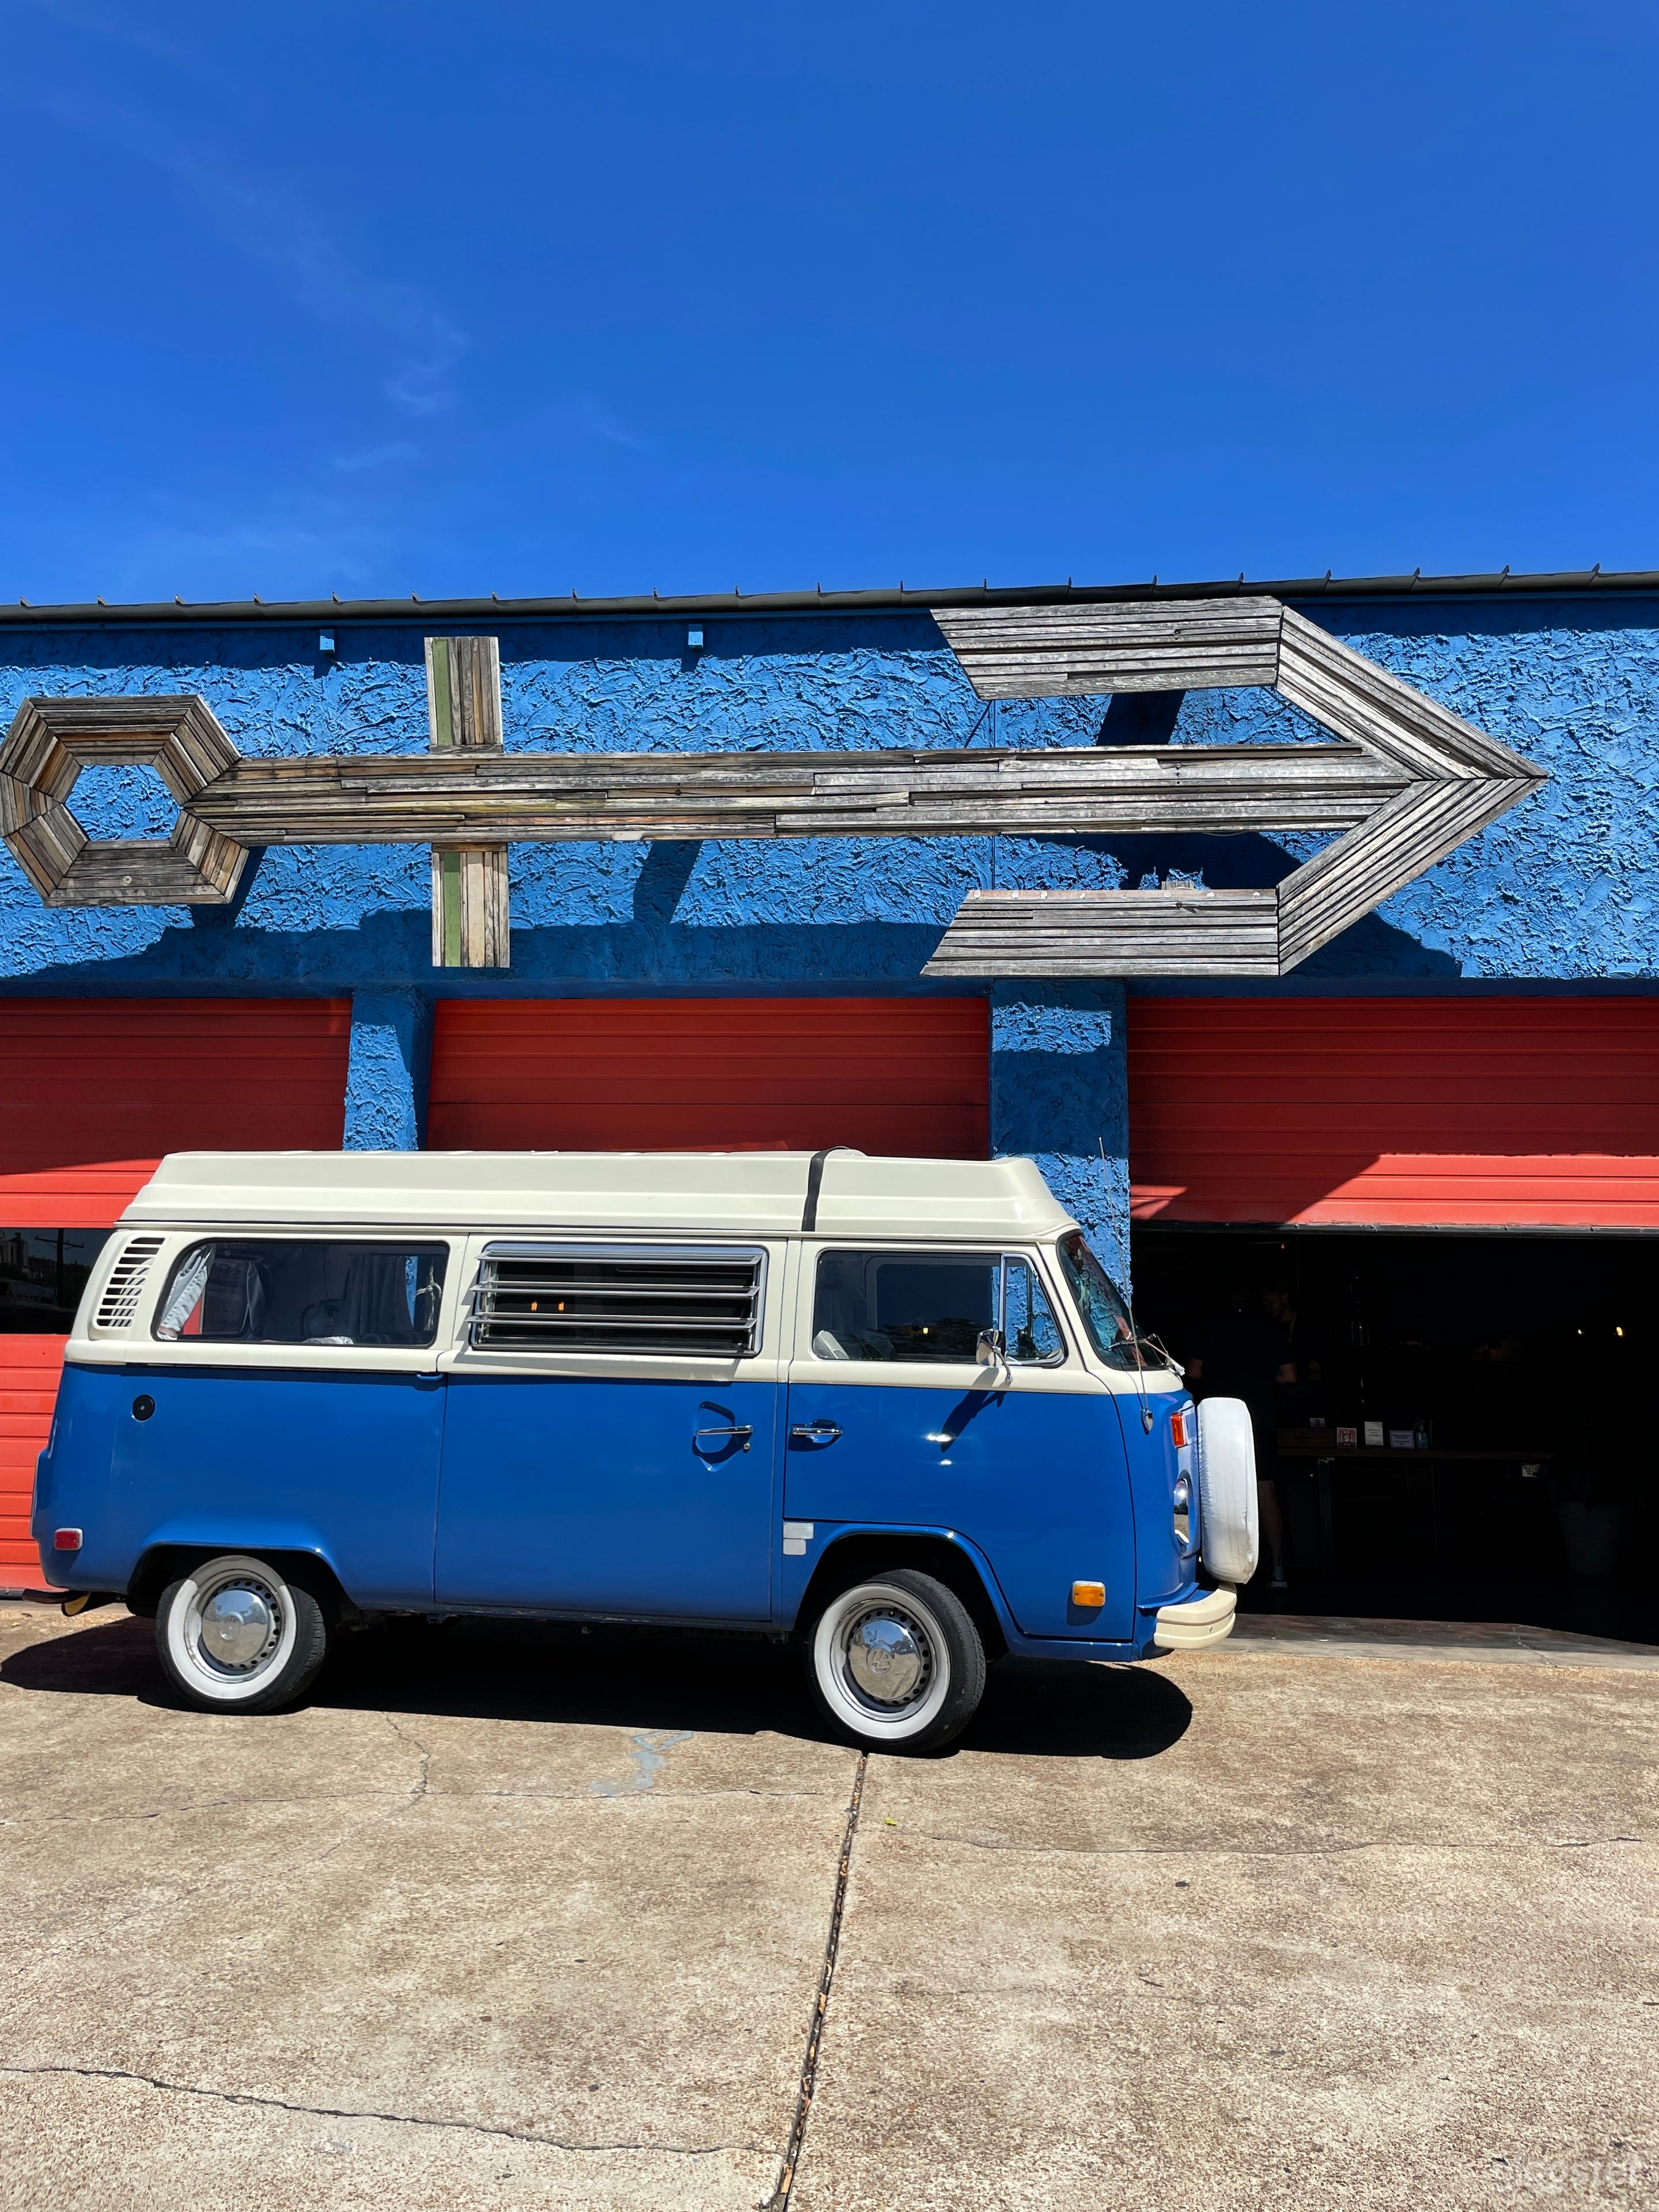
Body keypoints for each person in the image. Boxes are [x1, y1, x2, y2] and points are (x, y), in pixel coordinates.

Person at [1185, 1285, 1300, 1590]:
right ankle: (1277, 1570)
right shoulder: (1270, 1328)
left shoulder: (1210, 1326)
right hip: (1260, 1417)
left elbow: (1194, 1372)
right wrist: (1260, 1379)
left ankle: (1213, 1571)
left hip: (1219, 1418)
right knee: (1266, 1492)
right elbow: (1290, 1376)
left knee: (1210, 1491)